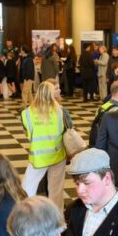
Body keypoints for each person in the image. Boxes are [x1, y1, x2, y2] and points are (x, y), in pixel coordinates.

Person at [20, 81, 68, 211]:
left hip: (38, 156)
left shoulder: (27, 113)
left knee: (28, 187)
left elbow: (28, 133)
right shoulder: (60, 110)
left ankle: (26, 213)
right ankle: (57, 221)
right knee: (56, 191)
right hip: (57, 155)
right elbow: (67, 130)